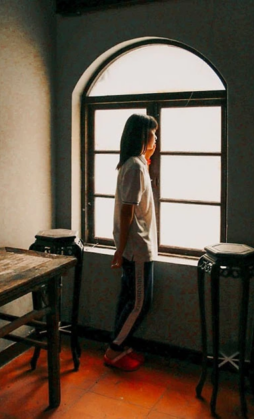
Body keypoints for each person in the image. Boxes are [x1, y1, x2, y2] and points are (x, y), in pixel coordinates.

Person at [104, 113, 159, 372]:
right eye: (152, 133)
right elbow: (128, 210)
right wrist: (120, 249)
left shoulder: (135, 164)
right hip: (136, 248)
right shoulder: (136, 167)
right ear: (141, 136)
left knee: (128, 298)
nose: (156, 138)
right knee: (140, 302)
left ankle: (120, 345)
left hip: (133, 246)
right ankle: (115, 349)